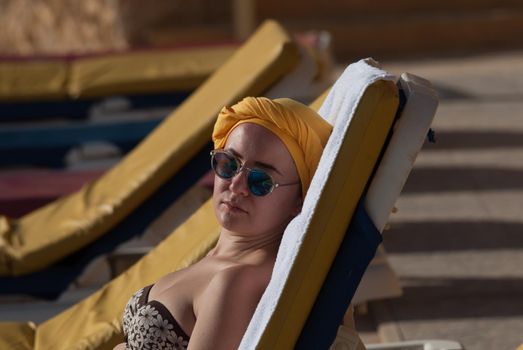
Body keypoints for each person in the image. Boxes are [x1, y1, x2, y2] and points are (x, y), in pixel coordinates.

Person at [114, 96, 332, 350]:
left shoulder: (237, 283)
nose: (237, 186)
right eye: (229, 165)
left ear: (299, 199)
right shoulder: (225, 263)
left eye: (261, 180)